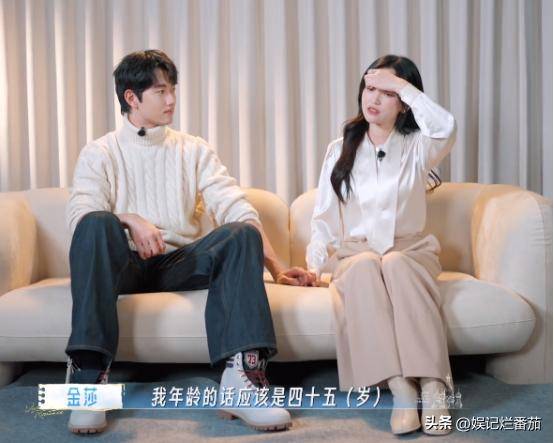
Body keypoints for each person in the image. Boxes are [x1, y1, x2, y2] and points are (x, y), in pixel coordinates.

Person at [65, 49, 315, 434]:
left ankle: (242, 383)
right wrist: (129, 220)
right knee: (96, 223)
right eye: (160, 92)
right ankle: (87, 383)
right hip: (123, 267)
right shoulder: (100, 152)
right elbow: (80, 220)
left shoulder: (192, 148)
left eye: (173, 90)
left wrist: (278, 268)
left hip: (178, 264)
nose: (171, 100)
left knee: (241, 231)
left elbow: (234, 206)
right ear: (132, 98)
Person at [306, 54, 456, 435]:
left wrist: (404, 87)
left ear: (403, 103)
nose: (373, 98)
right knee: (364, 266)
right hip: (356, 251)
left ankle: (433, 384)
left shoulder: (418, 146)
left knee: (395, 263)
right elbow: (323, 218)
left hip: (409, 249)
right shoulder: (339, 148)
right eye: (370, 87)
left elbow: (446, 128)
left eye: (387, 92)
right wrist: (314, 264)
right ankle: (401, 389)